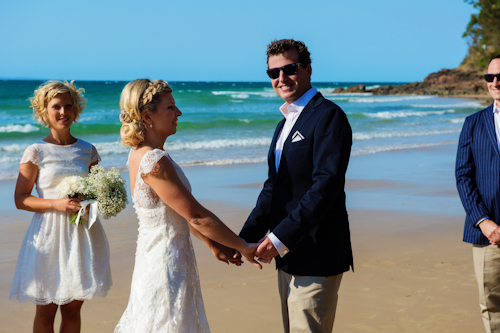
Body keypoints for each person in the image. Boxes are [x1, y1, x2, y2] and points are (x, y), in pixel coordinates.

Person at [115, 79, 261, 333]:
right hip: (165, 265)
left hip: (159, 259)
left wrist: (212, 243)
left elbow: (174, 212)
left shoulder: (138, 154)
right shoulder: (154, 160)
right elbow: (195, 215)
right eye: (171, 107)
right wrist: (244, 246)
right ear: (147, 115)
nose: (179, 113)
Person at [239, 39, 354, 333]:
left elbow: (325, 186)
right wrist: (242, 240)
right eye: (273, 73)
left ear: (308, 69)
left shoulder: (329, 116)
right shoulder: (284, 123)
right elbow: (273, 188)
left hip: (318, 252)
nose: (281, 78)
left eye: (289, 69)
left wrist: (278, 240)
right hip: (288, 255)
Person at [9, 80, 112, 332]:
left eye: (68, 106)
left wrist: (92, 206)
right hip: (48, 235)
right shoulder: (36, 151)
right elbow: (21, 198)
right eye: (56, 106)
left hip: (81, 234)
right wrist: (56, 203)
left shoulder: (88, 151)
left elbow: (98, 195)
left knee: (72, 309)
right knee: (46, 310)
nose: (63, 112)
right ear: (44, 111)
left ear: (76, 110)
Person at [456, 54, 500, 332]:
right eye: (490, 77)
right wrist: (484, 222)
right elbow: (463, 176)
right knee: (491, 307)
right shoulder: (473, 123)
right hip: (487, 235)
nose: (495, 82)